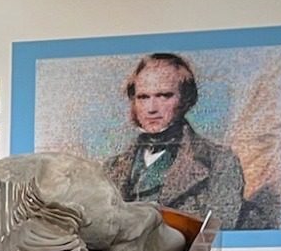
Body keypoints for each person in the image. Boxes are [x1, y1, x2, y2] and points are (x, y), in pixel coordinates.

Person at [104, 51, 245, 230]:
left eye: (164, 96)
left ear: (186, 100)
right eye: (143, 97)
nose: (151, 108)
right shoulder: (111, 169)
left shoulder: (220, 162)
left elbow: (215, 235)